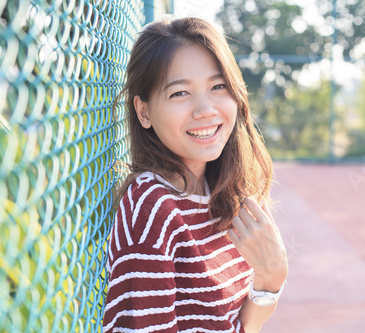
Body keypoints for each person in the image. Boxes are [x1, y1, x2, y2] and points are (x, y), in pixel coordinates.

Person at [103, 15, 288, 333]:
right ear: (144, 112)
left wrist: (272, 280)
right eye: (180, 93)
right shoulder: (151, 206)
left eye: (218, 86)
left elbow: (235, 326)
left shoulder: (220, 191)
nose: (206, 110)